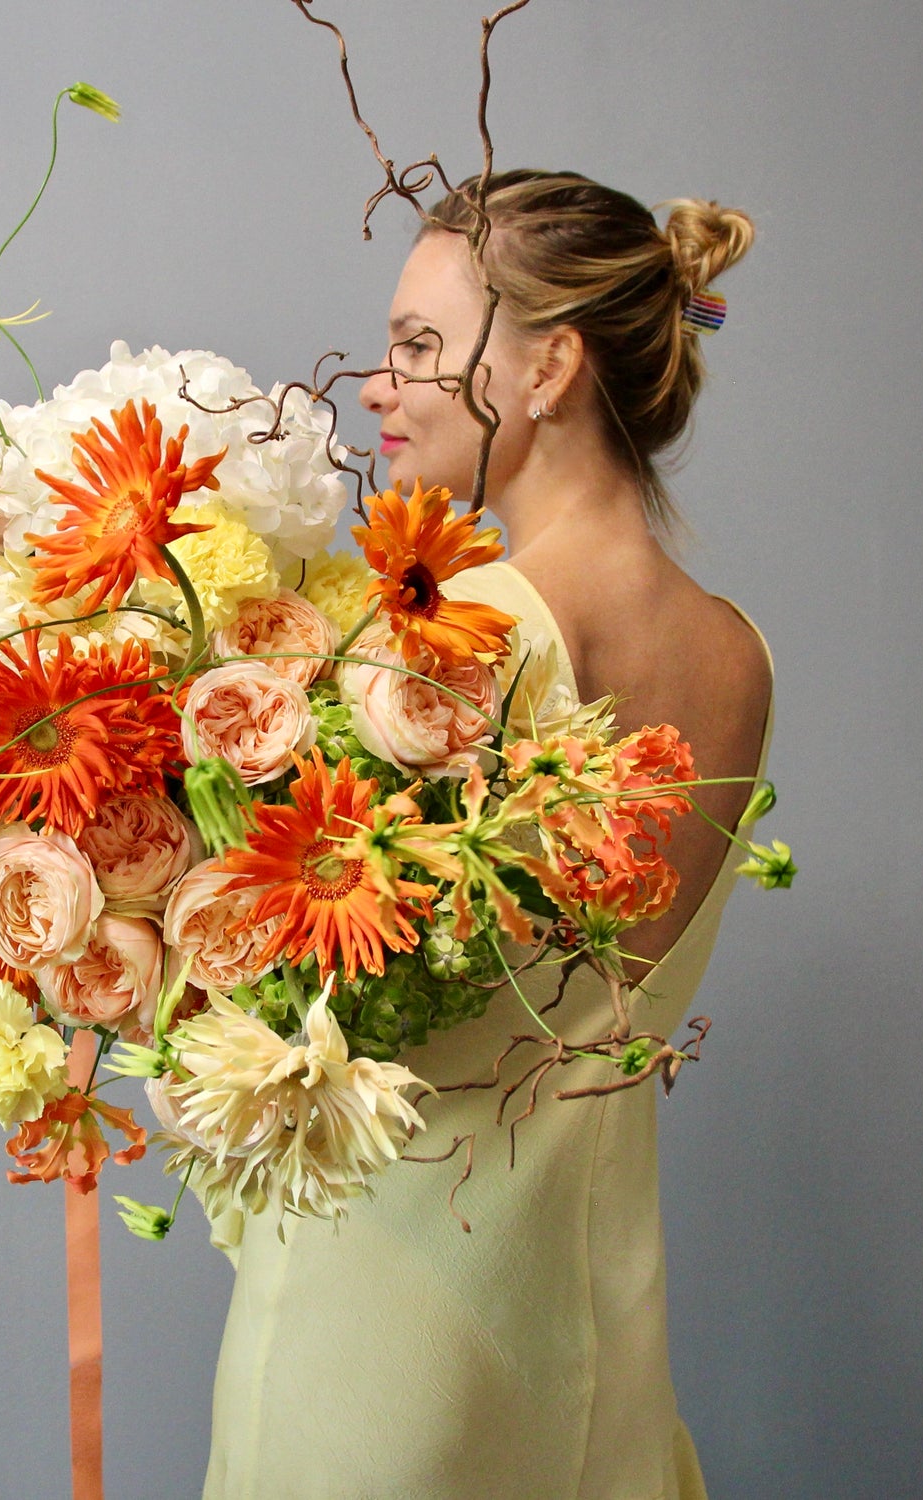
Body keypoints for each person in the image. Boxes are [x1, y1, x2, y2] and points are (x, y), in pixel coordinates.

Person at [201, 170, 773, 1500]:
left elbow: (312, 979)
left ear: (552, 365)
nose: (378, 387)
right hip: (595, 1317)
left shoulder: (465, 634)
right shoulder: (739, 654)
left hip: (388, 1320)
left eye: (416, 346)